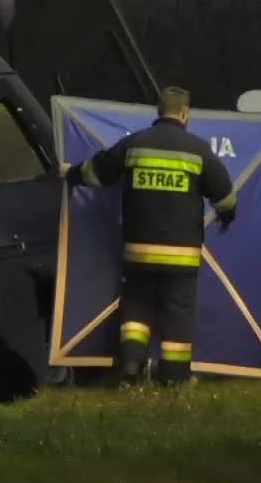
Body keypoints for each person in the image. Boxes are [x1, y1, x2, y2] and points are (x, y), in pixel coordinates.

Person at [61, 87, 237, 385]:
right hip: (181, 256)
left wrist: (70, 173)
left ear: (159, 111)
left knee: (136, 308)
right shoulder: (197, 150)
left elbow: (96, 171)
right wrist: (227, 215)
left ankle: (131, 366)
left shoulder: (135, 144)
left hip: (138, 251)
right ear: (185, 114)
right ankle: (174, 378)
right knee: (178, 314)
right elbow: (225, 197)